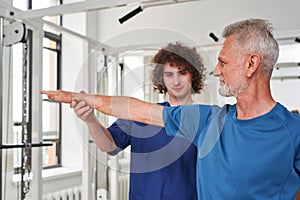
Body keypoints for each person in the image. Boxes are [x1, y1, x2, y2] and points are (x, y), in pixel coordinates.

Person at [41, 18, 300, 199]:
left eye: (222, 61)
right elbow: (136, 111)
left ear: (251, 64)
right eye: (169, 74)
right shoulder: (204, 119)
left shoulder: (293, 131)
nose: (216, 70)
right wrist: (85, 102)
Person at [52, 42, 206, 199]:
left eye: (182, 73)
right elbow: (109, 145)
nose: (176, 81)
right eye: (169, 74)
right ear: (161, 78)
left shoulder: (206, 119)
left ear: (193, 74)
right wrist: (91, 120)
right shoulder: (141, 114)